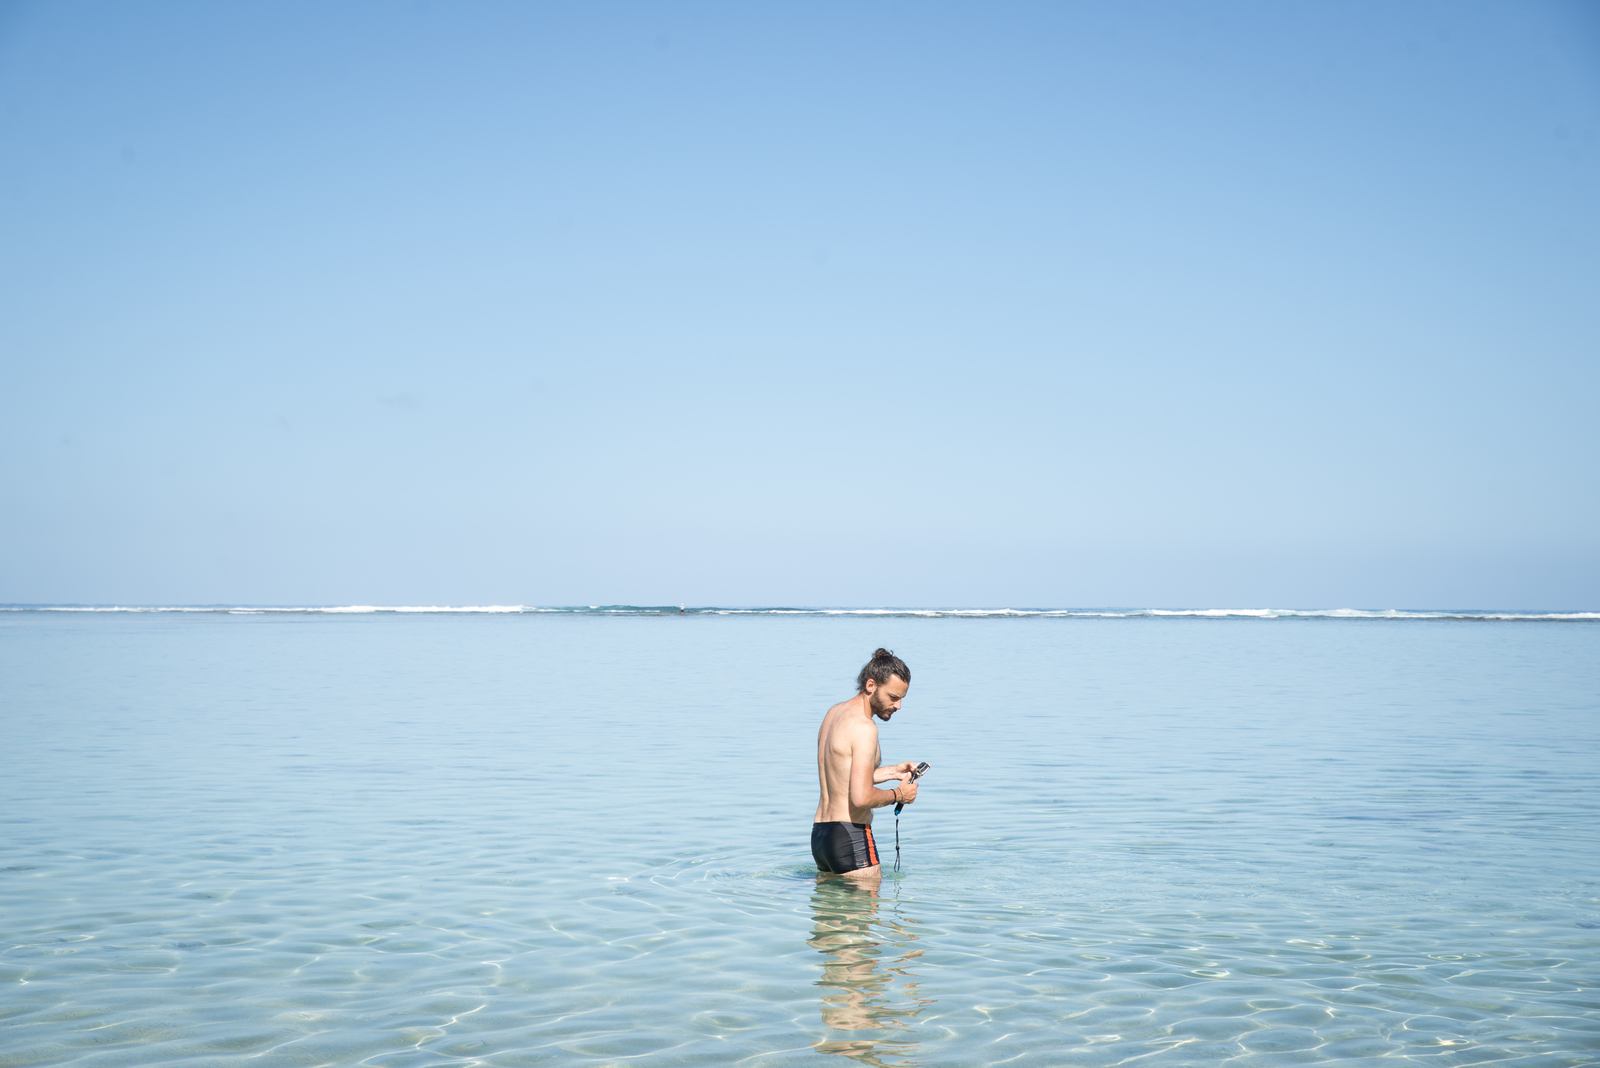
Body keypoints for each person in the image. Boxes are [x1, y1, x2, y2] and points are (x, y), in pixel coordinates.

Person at [811, 648, 922, 883]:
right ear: (871, 686)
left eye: (902, 698)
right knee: (864, 915)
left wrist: (893, 771)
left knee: (828, 918)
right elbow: (860, 797)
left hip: (822, 837)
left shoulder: (834, 713)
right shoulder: (865, 728)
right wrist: (899, 794)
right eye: (893, 697)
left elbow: (842, 776)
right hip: (851, 836)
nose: (898, 706)